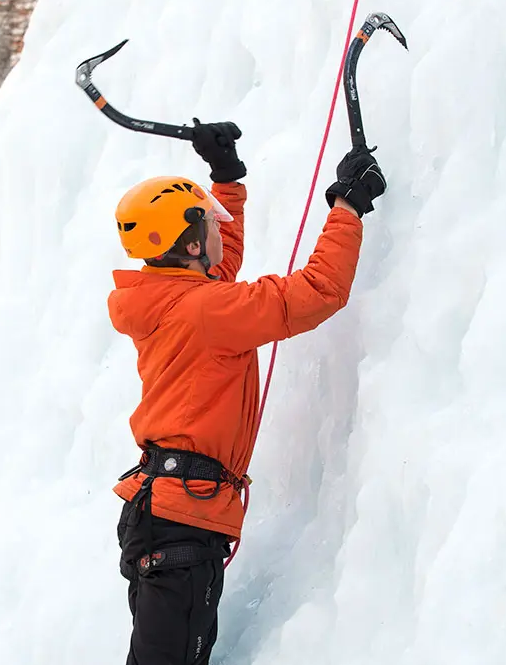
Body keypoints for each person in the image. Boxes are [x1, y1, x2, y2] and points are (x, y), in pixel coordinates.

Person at [107, 118, 386, 664]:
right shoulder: (207, 310)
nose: (219, 224)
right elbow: (317, 292)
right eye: (209, 219)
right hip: (179, 525)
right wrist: (347, 208)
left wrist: (226, 176)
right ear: (190, 243)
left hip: (162, 518)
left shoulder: (169, 298)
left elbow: (219, 260)